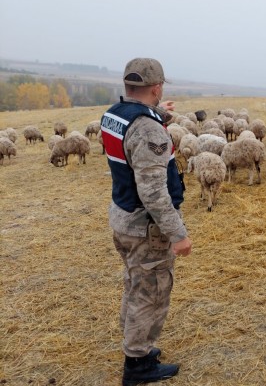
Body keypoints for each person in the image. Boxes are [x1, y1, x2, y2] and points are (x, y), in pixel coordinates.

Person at [101, 58, 192, 385]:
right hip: (146, 228)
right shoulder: (148, 128)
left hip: (123, 218)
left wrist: (158, 113)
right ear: (157, 87)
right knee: (150, 292)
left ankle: (136, 346)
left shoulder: (114, 114)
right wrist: (177, 234)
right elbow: (153, 192)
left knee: (135, 283)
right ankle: (137, 364)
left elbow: (134, 136)